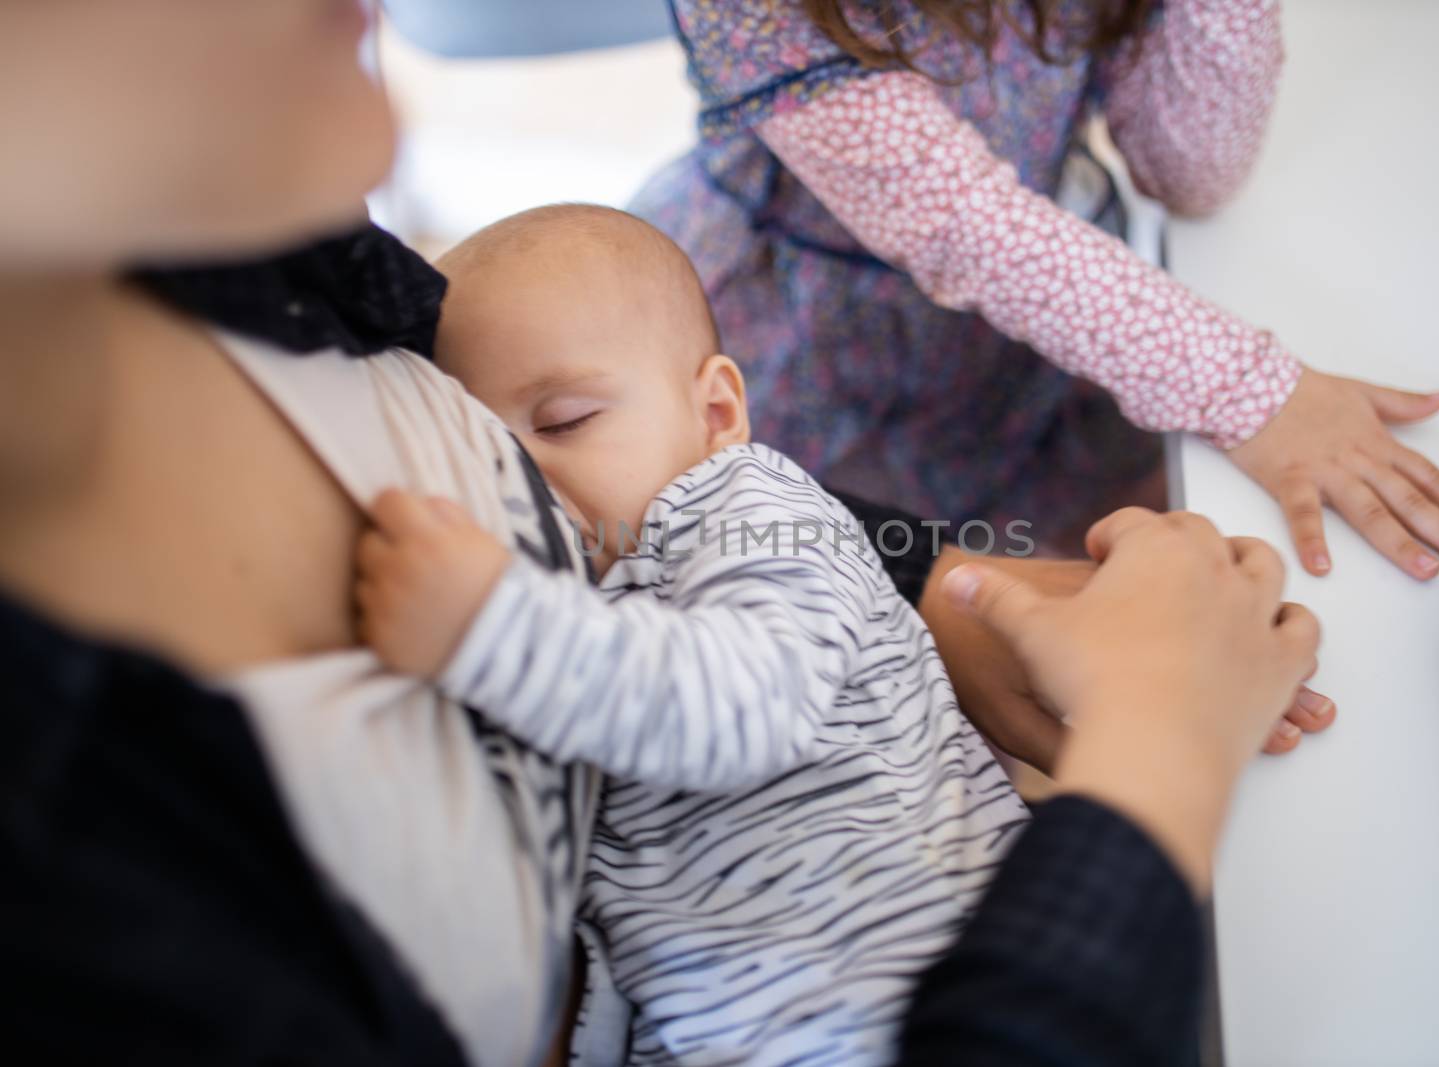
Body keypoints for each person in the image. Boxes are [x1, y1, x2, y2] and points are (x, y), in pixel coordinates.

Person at [0, 2, 1321, 1063]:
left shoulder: (264, 244)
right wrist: (1157, 749)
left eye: (561, 420)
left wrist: (911, 604)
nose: (536, 490)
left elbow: (711, 508)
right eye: (515, 442)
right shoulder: (85, 874)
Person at [357, 203, 1034, 1064]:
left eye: (564, 421)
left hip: (913, 997)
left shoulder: (752, 511)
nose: (529, 481)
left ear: (715, 412)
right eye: (487, 458)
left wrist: (488, 625)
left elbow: (745, 708)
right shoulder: (586, 610)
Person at [636, 0, 1439, 579]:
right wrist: (1256, 394)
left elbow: (1189, 174)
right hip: (807, 338)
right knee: (846, 590)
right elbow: (963, 224)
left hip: (1029, 336)